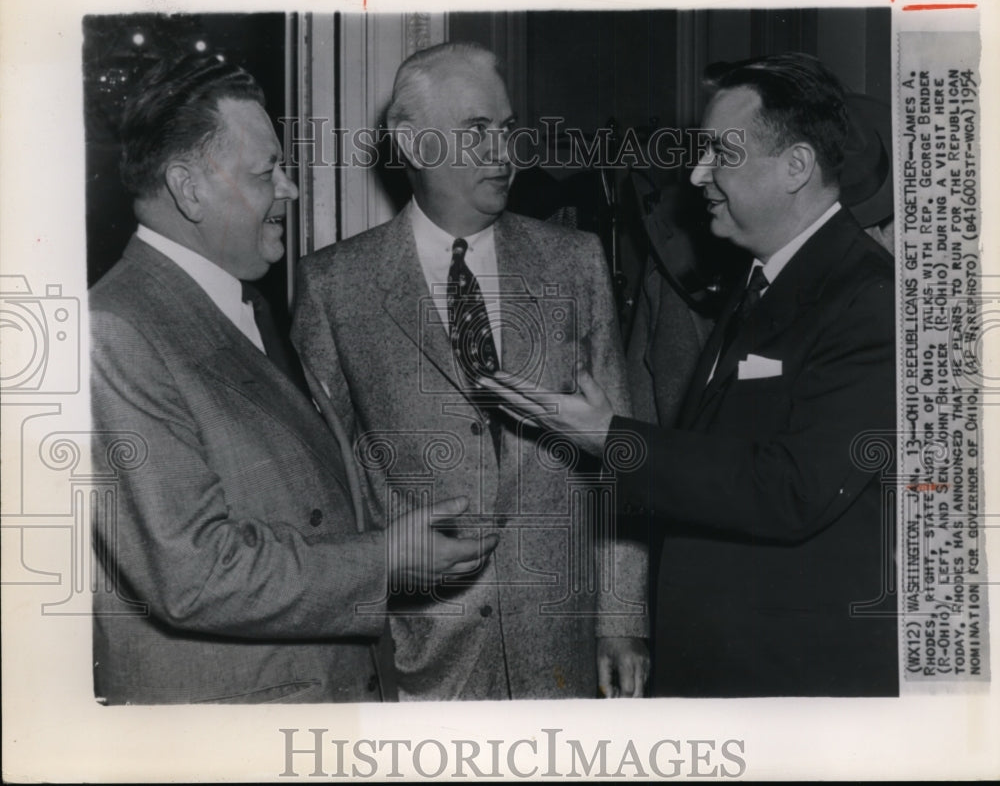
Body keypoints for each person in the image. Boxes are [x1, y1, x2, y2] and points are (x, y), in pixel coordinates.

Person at [481, 52, 898, 697]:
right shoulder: (761, 278)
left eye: (719, 155)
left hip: (792, 690)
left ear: (796, 168)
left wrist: (610, 438)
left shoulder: (867, 299)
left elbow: (790, 489)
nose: (697, 174)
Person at [89, 54, 495, 705]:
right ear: (188, 188)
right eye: (265, 174)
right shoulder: (116, 330)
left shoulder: (248, 306)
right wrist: (386, 560)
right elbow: (194, 573)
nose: (290, 189)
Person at [292, 41, 649, 700]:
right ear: (412, 143)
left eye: (506, 129)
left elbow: (618, 455)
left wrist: (621, 620)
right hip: (419, 653)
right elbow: (325, 488)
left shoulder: (575, 263)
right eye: (475, 130)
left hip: (562, 644)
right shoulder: (334, 286)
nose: (503, 151)